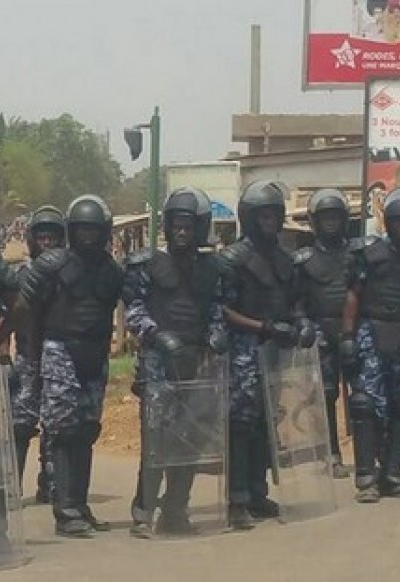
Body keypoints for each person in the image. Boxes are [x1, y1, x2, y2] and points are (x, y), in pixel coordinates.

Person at [123, 188, 228, 537]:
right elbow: (133, 310)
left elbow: (216, 308)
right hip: (158, 362)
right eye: (176, 226)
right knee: (156, 439)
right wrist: (154, 336)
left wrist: (216, 335)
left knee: (191, 439)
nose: (181, 232)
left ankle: (175, 510)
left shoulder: (212, 268)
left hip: (198, 361)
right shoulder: (147, 264)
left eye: (188, 226)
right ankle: (143, 512)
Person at [19, 195, 123, 538]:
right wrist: (33, 360)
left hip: (96, 355)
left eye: (95, 231)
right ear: (71, 231)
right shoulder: (50, 266)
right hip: (59, 350)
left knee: (86, 430)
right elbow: (27, 312)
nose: (88, 237)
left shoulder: (112, 270)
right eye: (82, 231)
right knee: (62, 431)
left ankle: (80, 503)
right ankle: (64, 510)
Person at [219, 181, 314, 529]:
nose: (269, 221)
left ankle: (258, 493)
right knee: (241, 424)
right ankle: (237, 498)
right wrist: (264, 327)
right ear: (248, 217)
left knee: (266, 423)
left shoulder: (287, 259)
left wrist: (303, 324)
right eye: (262, 215)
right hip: (244, 347)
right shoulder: (232, 260)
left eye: (273, 214)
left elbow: (297, 302)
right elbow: (223, 310)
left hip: (277, 350)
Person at [342, 188, 400, 502]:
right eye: (397, 222)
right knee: (365, 404)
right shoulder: (369, 253)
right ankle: (366, 476)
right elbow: (353, 295)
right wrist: (348, 338)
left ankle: (392, 473)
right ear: (388, 222)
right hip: (371, 331)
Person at [0, 205, 66, 503]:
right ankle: (12, 486)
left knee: (56, 426)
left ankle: (53, 486)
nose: (46, 244)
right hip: (27, 357)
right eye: (41, 238)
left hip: (61, 361)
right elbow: (6, 317)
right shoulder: (19, 276)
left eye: (52, 238)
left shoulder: (68, 275)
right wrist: (1, 355)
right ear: (31, 240)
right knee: (20, 425)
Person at [292, 189, 355, 480]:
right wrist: (304, 324)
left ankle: (372, 455)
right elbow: (295, 302)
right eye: (325, 217)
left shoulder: (358, 253)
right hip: (321, 332)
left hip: (353, 332)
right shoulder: (302, 261)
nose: (331, 223)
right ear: (314, 221)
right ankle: (331, 453)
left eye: (335, 217)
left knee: (365, 394)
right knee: (325, 394)